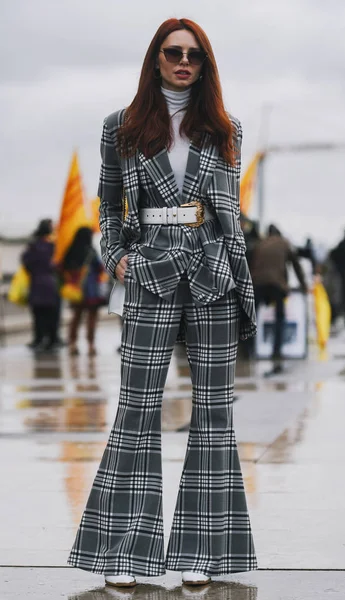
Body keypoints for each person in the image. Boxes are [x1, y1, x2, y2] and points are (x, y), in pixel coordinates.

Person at [67, 18, 257, 589]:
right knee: (136, 411)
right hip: (148, 272)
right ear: (156, 59)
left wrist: (234, 272)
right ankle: (124, 554)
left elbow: (229, 215)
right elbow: (108, 206)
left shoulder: (225, 128)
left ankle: (202, 552)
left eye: (193, 56)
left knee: (215, 417)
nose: (183, 62)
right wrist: (116, 259)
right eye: (173, 53)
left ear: (205, 65)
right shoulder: (120, 128)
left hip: (211, 272)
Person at [251, 224, 307, 373]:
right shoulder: (284, 243)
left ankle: (249, 351)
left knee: (251, 319)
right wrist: (303, 285)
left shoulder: (260, 244)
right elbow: (296, 265)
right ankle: (276, 351)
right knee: (279, 318)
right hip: (277, 284)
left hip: (258, 283)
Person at [61, 227, 107, 356]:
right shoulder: (91, 251)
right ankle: (91, 345)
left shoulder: (70, 251)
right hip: (91, 290)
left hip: (77, 289)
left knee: (76, 317)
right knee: (91, 318)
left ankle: (72, 343)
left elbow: (63, 268)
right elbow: (99, 268)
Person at [22, 218, 59, 352]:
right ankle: (51, 340)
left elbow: (25, 261)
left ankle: (38, 339)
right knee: (51, 314)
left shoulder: (33, 246)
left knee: (38, 314)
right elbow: (57, 264)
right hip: (50, 284)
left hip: (36, 283)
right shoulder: (52, 246)